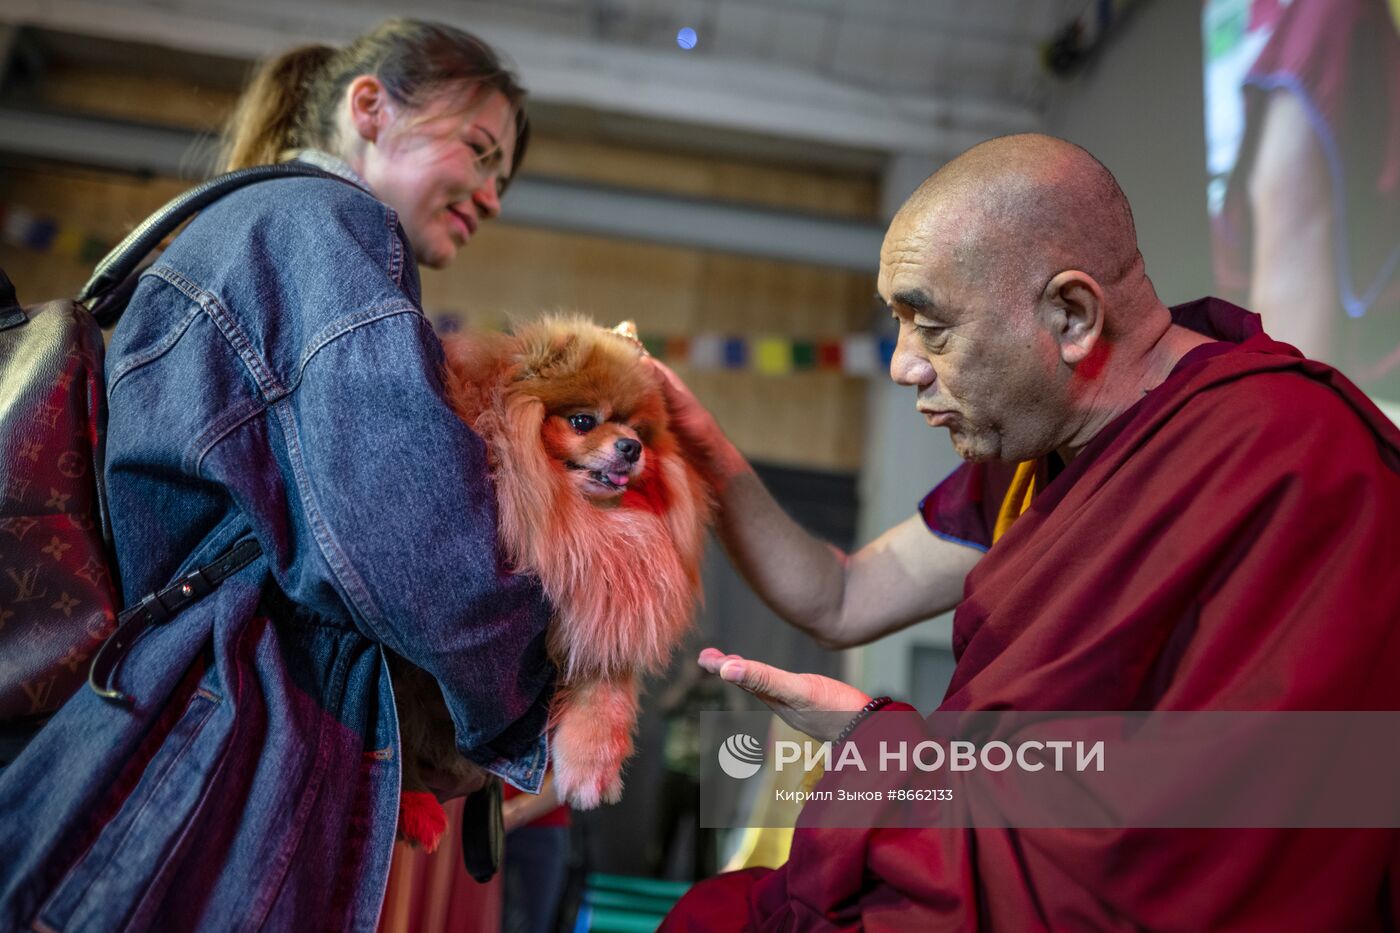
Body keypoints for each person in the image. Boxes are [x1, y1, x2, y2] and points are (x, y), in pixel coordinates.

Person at [657, 133, 1400, 929]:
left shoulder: (1294, 459)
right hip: (989, 859)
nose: (905, 365)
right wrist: (701, 445)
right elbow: (841, 594)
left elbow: (1235, 837)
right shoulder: (1033, 453)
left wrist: (888, 758)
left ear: (1072, 315)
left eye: (931, 327)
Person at [0, 20, 556, 931]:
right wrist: (544, 697)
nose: (492, 194)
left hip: (132, 761)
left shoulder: (234, 228)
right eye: (479, 150)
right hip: (186, 783)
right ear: (370, 107)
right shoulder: (326, 230)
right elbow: (414, 542)